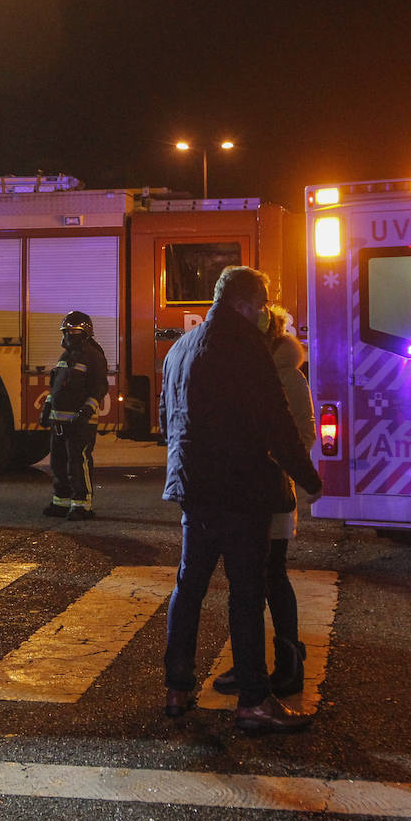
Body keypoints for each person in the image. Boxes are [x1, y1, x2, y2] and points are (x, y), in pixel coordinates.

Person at [161, 266, 323, 733]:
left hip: (194, 490)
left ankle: (177, 689)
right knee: (246, 594)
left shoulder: (181, 348)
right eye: (261, 305)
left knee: (189, 588)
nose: (263, 314)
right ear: (245, 303)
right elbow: (276, 421)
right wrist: (308, 478)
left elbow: (167, 419)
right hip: (240, 490)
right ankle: (253, 701)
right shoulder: (246, 346)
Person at [211, 303, 314, 698]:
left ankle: (289, 665)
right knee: (247, 581)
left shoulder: (287, 376)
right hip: (244, 491)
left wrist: (260, 460)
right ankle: (250, 662)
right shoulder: (248, 369)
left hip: (271, 490)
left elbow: (302, 437)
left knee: (271, 575)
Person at [40, 310, 109, 521]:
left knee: (78, 463)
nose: (68, 336)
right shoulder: (65, 357)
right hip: (59, 422)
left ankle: (82, 505)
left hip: (80, 423)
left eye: (72, 332)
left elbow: (99, 388)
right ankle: (61, 501)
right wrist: (47, 409)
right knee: (58, 463)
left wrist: (86, 411)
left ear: (84, 333)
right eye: (66, 332)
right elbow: (55, 387)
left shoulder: (94, 357)